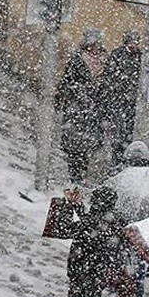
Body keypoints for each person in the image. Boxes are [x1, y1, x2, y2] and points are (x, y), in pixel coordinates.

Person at [55, 29, 109, 185]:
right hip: (76, 110)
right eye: (91, 46)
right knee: (74, 146)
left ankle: (80, 174)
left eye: (96, 46)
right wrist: (61, 101)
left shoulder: (104, 63)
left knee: (87, 147)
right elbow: (66, 82)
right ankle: (75, 176)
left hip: (93, 113)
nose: (94, 49)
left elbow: (107, 89)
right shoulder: (77, 61)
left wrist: (104, 110)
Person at [65, 186, 131, 297]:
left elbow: (83, 224)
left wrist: (76, 206)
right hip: (97, 273)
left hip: (81, 269)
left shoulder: (92, 220)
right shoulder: (115, 222)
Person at [101, 30, 142, 168]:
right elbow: (108, 77)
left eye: (136, 42)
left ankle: (124, 158)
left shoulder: (140, 57)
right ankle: (116, 160)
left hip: (131, 101)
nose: (134, 45)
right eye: (132, 42)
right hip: (118, 99)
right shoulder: (117, 55)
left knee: (128, 132)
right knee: (118, 132)